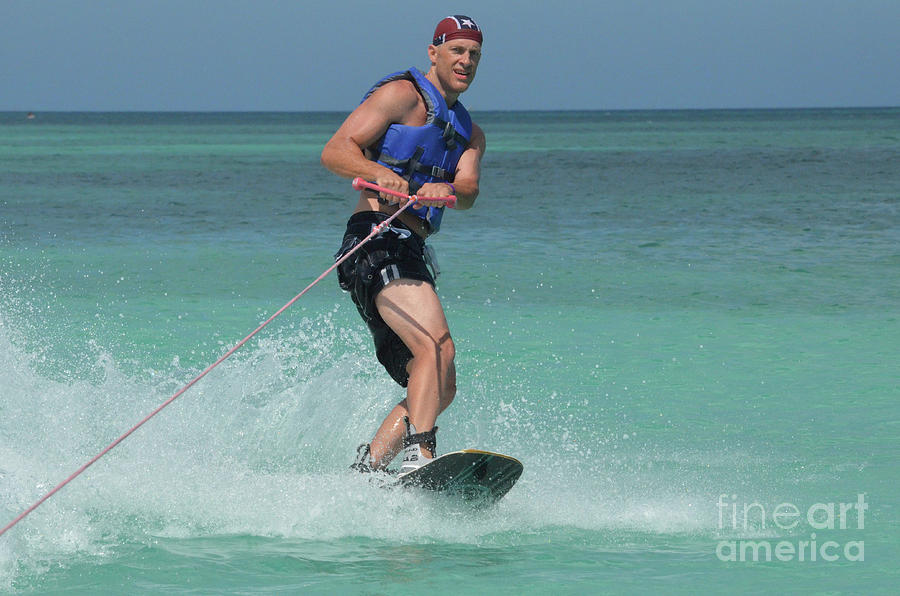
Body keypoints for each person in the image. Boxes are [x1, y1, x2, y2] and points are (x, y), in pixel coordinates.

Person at [321, 15, 485, 474]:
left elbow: (468, 191)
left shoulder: (471, 134)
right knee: (436, 348)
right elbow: (335, 150)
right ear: (433, 53)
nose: (465, 61)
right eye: (457, 50)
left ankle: (367, 473)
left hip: (412, 250)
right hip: (375, 237)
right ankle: (421, 452)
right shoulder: (401, 95)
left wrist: (447, 191)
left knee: (438, 382)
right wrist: (380, 173)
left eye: (474, 54)